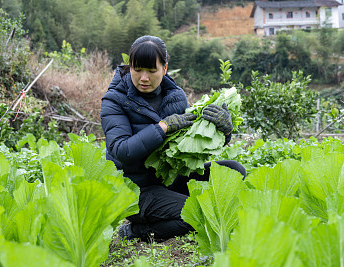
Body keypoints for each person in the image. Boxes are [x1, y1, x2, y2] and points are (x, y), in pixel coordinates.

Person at [100, 35, 246, 241]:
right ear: (129, 66)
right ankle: (135, 231)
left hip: (167, 178)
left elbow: (192, 146)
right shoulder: (114, 101)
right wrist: (163, 127)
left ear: (165, 68)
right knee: (196, 214)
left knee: (234, 170)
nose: (143, 78)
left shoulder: (175, 96)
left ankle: (169, 209)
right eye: (137, 69)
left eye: (151, 71)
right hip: (133, 189)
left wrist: (224, 130)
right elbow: (122, 151)